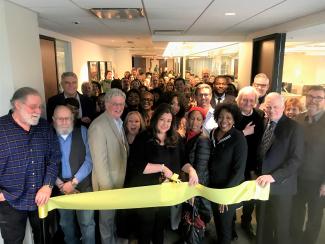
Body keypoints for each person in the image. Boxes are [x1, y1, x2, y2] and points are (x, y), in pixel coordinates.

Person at [126, 103, 198, 244]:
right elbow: (136, 166)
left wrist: (192, 170)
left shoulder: (175, 138)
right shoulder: (144, 137)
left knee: (160, 228)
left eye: (169, 121)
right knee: (145, 230)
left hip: (166, 191)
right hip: (146, 192)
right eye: (162, 119)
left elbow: (183, 161)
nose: (165, 124)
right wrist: (162, 168)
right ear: (155, 119)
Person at [0, 87, 61, 244]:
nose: (38, 111)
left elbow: (54, 158)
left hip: (41, 197)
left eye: (39, 106)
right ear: (17, 105)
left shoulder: (44, 127)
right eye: (32, 106)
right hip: (9, 200)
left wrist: (47, 185)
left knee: (45, 238)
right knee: (13, 241)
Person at [256, 92, 304, 244]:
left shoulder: (294, 128)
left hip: (281, 186)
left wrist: (274, 176)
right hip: (262, 185)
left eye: (275, 107)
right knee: (263, 224)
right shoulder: (263, 123)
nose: (272, 110)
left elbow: (296, 160)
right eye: (268, 107)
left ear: (283, 107)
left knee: (280, 226)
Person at [88, 88, 129, 244]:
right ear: (106, 104)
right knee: (106, 221)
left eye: (121, 104)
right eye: (114, 104)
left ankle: (113, 240)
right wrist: (107, 190)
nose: (118, 107)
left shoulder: (118, 121)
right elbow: (100, 163)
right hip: (107, 185)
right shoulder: (98, 126)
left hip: (118, 181)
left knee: (112, 219)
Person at [52, 105, 95, 244]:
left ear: (73, 119)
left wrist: (74, 182)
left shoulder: (82, 131)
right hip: (60, 187)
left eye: (68, 118)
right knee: (66, 225)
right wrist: (60, 184)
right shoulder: (48, 136)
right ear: (53, 120)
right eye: (60, 118)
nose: (64, 121)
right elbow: (45, 163)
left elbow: (90, 159)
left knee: (87, 224)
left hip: (83, 185)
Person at [209, 103, 248, 244]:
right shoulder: (213, 133)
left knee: (224, 225)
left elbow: (239, 170)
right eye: (220, 117)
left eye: (228, 118)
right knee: (219, 221)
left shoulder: (238, 138)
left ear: (234, 119)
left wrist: (225, 195)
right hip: (213, 186)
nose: (224, 121)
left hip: (228, 189)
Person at [290, 85, 325, 244]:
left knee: (314, 218)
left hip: (318, 182)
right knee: (295, 214)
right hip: (297, 178)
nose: (313, 101)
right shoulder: (298, 120)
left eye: (319, 98)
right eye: (311, 96)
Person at [235, 86, 265, 239]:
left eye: (251, 100)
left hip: (252, 164)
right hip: (234, 163)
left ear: (256, 102)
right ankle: (230, 223)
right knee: (233, 194)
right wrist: (243, 133)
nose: (247, 103)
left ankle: (245, 222)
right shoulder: (232, 115)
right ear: (238, 100)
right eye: (244, 100)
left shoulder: (260, 116)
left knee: (250, 196)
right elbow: (225, 137)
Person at [185, 107, 211, 224]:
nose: (194, 122)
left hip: (196, 183)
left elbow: (200, 168)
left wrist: (194, 191)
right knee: (188, 216)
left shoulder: (203, 139)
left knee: (196, 218)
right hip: (188, 180)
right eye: (192, 118)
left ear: (202, 122)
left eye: (198, 119)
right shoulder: (186, 136)